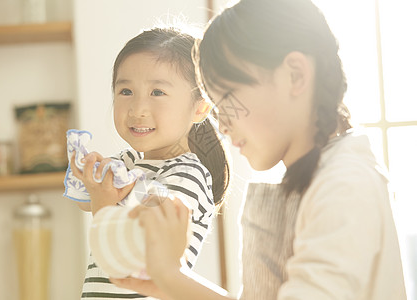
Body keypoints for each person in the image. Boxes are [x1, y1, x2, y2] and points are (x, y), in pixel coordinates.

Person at [109, 0, 408, 299]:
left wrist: (172, 278)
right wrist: (170, 281)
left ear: (295, 75)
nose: (222, 124)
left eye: (228, 97)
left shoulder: (344, 185)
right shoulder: (323, 176)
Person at [69, 26, 230, 299]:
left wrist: (103, 201)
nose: (138, 109)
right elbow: (84, 201)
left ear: (200, 107)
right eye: (126, 91)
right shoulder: (128, 162)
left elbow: (135, 248)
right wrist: (89, 177)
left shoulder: (188, 175)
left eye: (157, 92)